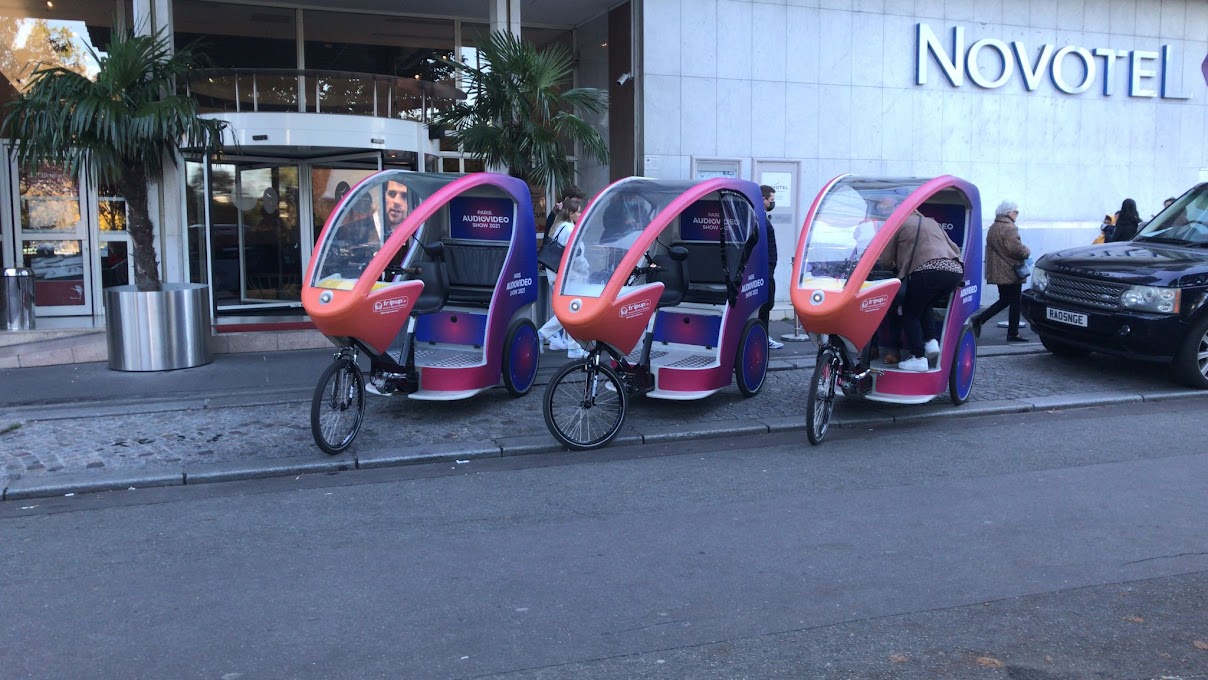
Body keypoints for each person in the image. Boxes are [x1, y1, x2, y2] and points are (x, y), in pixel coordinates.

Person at [877, 209, 964, 371]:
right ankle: (931, 342)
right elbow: (954, 249)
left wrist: (894, 264)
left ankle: (918, 357)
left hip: (926, 272)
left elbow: (886, 260)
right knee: (923, 304)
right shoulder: (932, 222)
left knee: (910, 312)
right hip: (953, 272)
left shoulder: (898, 224)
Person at [972, 200, 1031, 342]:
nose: (1016, 215)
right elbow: (1016, 250)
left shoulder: (994, 227)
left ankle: (980, 319)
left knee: (1005, 300)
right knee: (1015, 302)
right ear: (1008, 212)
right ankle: (1013, 333)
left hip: (999, 271)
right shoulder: (1010, 228)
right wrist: (1027, 250)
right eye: (1016, 212)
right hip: (1011, 271)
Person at [537, 198, 588, 359]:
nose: (580, 214)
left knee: (569, 312)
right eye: (578, 211)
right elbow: (576, 256)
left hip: (557, 275)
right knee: (572, 312)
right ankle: (545, 335)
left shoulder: (559, 227)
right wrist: (585, 270)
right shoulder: (570, 229)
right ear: (571, 213)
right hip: (570, 277)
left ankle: (571, 346)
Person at [760, 185, 784, 349]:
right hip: (764, 271)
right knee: (765, 306)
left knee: (765, 306)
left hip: (765, 269)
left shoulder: (760, 217)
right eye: (771, 200)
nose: (772, 203)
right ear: (763, 200)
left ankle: (762, 337)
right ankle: (763, 338)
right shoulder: (760, 218)